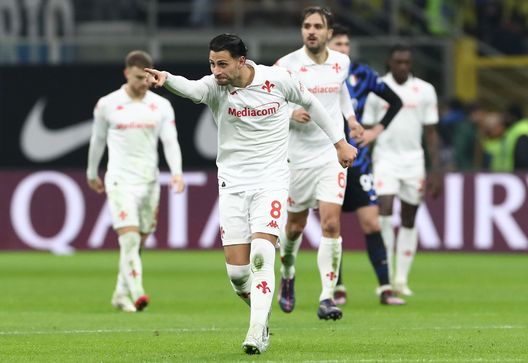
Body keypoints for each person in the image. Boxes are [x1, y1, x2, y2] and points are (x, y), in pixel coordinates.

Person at [144, 34, 357, 354]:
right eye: (212, 63)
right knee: (238, 276)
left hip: (271, 182)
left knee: (261, 255)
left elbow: (311, 103)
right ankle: (262, 311)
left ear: (242, 61)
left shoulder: (278, 80)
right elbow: (191, 88)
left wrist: (339, 143)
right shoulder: (216, 88)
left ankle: (256, 331)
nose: (216, 70)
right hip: (231, 185)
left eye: (222, 64)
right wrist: (168, 79)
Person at [274, 6, 364, 321]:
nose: (311, 31)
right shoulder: (286, 65)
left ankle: (327, 297)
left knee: (330, 223)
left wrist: (351, 120)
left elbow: (341, 94)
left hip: (330, 152)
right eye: (307, 26)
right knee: (295, 227)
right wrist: (289, 114)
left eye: (317, 26)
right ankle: (287, 270)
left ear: (328, 32)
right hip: (297, 156)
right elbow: (271, 102)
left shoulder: (341, 62)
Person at [86, 50, 185, 313]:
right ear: (127, 73)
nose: (144, 82)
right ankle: (137, 291)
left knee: (139, 241)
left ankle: (120, 293)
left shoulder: (160, 105)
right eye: (139, 77)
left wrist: (176, 172)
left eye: (147, 78)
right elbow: (97, 140)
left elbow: (170, 141)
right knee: (128, 239)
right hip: (120, 179)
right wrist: (91, 172)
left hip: (149, 181)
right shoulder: (107, 104)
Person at [327, 24, 405, 305]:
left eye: (346, 44)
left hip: (358, 163)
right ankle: (337, 288)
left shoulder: (362, 73)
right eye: (338, 44)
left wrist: (374, 131)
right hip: (325, 161)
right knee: (331, 225)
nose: (343, 49)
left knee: (372, 223)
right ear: (326, 44)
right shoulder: (312, 75)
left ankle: (385, 287)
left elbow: (395, 101)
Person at [362, 44, 442, 296]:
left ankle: (401, 279)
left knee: (408, 218)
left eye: (407, 62)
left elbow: (431, 132)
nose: (403, 67)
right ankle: (384, 277)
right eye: (398, 62)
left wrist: (436, 170)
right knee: (384, 211)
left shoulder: (425, 90)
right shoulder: (377, 89)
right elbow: (366, 129)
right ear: (389, 62)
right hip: (385, 159)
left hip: (414, 161)